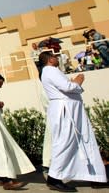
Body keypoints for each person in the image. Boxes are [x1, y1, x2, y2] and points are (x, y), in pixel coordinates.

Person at [39, 51, 108, 191]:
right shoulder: (50, 70)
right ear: (50, 59)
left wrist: (73, 83)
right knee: (65, 143)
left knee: (82, 142)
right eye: (54, 56)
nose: (57, 58)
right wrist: (78, 82)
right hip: (66, 111)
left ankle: (94, 176)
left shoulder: (50, 71)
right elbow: (67, 87)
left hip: (70, 110)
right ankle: (54, 178)